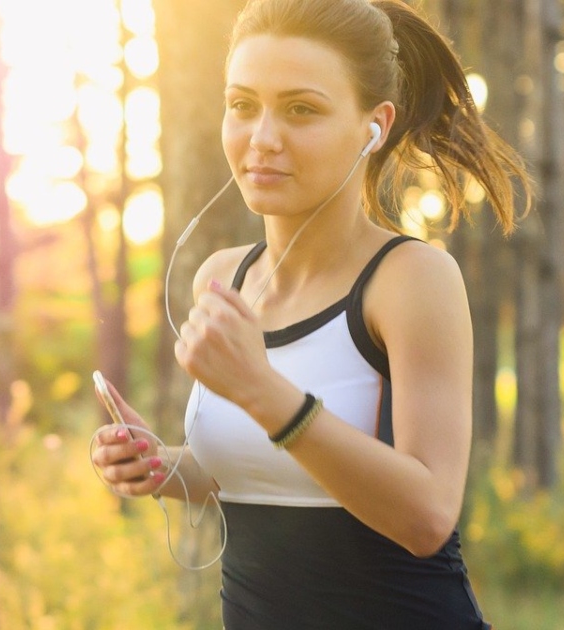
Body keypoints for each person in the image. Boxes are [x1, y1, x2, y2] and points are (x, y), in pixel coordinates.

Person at [91, 0, 531, 627]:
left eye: (301, 109)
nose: (262, 138)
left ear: (373, 126)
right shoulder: (222, 277)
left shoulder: (411, 280)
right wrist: (161, 465)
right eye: (243, 105)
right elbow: (256, 476)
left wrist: (262, 390)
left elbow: (428, 515)